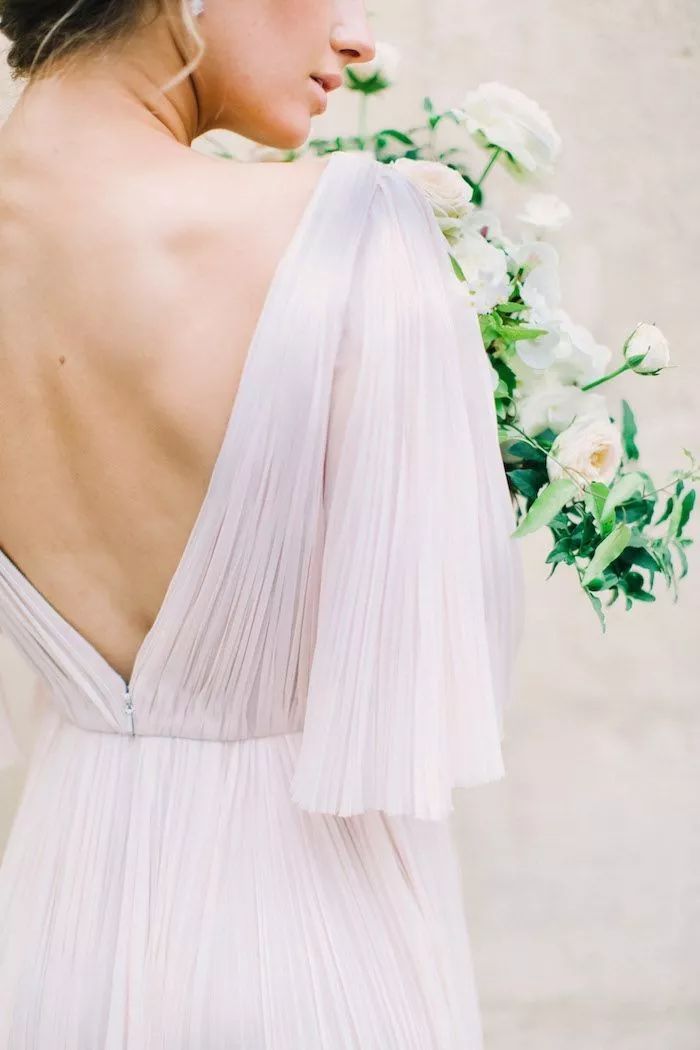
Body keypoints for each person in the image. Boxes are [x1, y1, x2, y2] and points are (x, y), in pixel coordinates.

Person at [0, 0, 525, 1044]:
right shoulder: (344, 232)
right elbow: (422, 675)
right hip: (305, 926)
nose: (360, 37)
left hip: (53, 923)